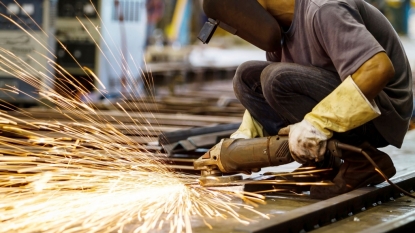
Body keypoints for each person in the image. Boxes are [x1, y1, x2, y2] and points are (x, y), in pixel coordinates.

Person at [205, 0, 413, 199]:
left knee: (276, 79)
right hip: (344, 98)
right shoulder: (281, 31)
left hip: (382, 111)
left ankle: (362, 161)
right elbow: (266, 96)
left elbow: (377, 70)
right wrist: (243, 139)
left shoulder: (324, 8)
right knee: (247, 76)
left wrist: (317, 125)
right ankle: (322, 160)